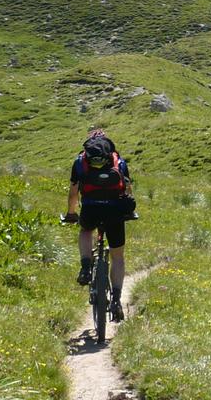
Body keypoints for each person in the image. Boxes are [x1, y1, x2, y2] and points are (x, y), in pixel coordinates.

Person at [64, 128, 134, 322]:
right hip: (115, 211)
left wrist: (71, 213)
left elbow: (73, 193)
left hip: (90, 208)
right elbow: (128, 189)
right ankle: (117, 300)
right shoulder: (118, 161)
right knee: (117, 256)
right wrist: (129, 211)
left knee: (86, 230)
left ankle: (86, 267)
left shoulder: (80, 162)